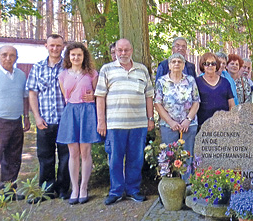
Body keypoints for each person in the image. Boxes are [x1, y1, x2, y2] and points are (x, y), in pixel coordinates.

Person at [95, 39, 154, 205]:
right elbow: (100, 96)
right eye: (119, 50)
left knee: (136, 158)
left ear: (131, 50)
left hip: (138, 123)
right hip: (114, 124)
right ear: (115, 51)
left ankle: (133, 190)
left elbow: (149, 95)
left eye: (126, 50)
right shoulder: (107, 69)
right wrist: (101, 122)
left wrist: (150, 118)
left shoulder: (142, 70)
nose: (123, 53)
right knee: (115, 159)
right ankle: (116, 191)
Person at [27, 34, 71, 202]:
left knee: (65, 157)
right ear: (46, 45)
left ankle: (62, 189)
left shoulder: (68, 68)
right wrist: (36, 117)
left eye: (58, 45)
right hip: (44, 121)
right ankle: (46, 191)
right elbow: (32, 94)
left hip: (64, 121)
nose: (55, 48)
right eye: (52, 45)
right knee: (45, 157)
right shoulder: (37, 67)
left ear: (63, 47)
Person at [56, 42, 101, 205]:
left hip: (87, 112)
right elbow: (66, 96)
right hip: (71, 113)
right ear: (68, 56)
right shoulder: (62, 75)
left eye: (79, 55)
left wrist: (93, 97)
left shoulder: (92, 74)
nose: (76, 57)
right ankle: (74, 188)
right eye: (73, 54)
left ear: (84, 57)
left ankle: (84, 187)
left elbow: (98, 94)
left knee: (85, 152)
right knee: (73, 152)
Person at [0, 46, 30, 209]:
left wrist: (26, 117)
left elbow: (25, 98)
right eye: (4, 55)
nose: (8, 58)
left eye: (12, 55)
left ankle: (8, 191)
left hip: (15, 121)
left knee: (13, 159)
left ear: (16, 58)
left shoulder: (20, 75)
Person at [155, 53, 200, 182]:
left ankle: (188, 188)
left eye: (179, 62)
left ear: (183, 65)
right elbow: (157, 103)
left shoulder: (190, 80)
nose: (176, 64)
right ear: (169, 65)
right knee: (168, 156)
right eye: (173, 62)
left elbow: (196, 102)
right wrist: (170, 122)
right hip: (168, 126)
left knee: (188, 157)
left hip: (188, 126)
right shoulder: (162, 81)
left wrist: (188, 120)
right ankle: (169, 189)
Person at [196, 53, 234, 129]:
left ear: (217, 65)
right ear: (202, 65)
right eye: (207, 64)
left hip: (223, 125)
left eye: (213, 63)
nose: (210, 66)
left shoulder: (225, 82)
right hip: (203, 125)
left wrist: (230, 120)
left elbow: (231, 104)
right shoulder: (196, 82)